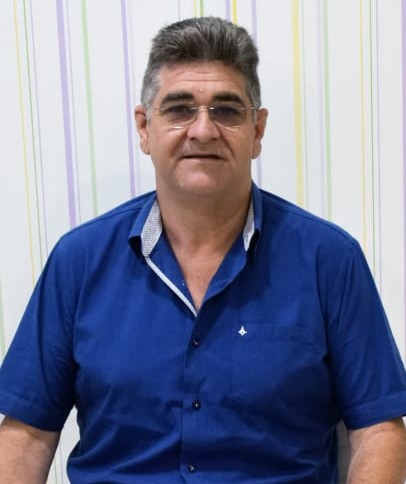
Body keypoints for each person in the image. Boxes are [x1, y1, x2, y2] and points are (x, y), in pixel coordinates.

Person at [0, 16, 405, 484]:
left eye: (227, 110)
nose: (203, 130)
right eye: (179, 109)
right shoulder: (79, 260)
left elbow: (379, 430)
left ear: (257, 130)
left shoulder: (328, 260)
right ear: (144, 127)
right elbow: (26, 434)